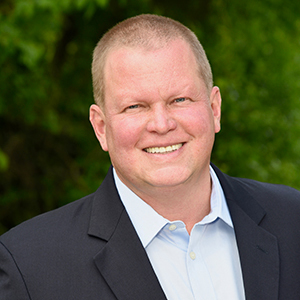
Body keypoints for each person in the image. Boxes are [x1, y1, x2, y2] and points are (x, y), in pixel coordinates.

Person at [0, 14, 300, 300]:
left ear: (215, 108)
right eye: (135, 107)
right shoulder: (29, 267)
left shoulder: (293, 220)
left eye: (179, 100)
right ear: (101, 127)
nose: (161, 124)